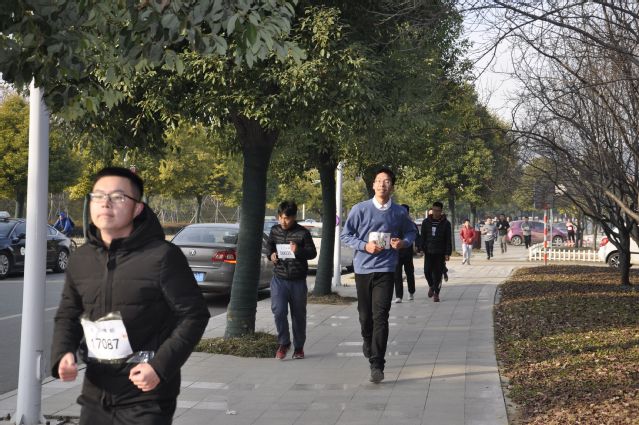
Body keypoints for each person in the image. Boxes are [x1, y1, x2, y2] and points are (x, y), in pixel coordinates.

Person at [51, 167, 210, 425]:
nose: (106, 202)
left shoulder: (163, 256)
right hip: (96, 393)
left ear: (137, 208)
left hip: (146, 394)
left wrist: (159, 367)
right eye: (98, 195)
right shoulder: (81, 258)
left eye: (117, 196)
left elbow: (194, 315)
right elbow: (68, 313)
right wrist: (63, 353)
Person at [340, 167, 417, 384]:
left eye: (387, 181)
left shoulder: (399, 212)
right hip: (363, 269)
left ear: (392, 186)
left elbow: (411, 231)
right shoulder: (360, 209)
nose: (383, 184)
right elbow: (346, 235)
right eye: (379, 181)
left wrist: (403, 243)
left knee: (381, 316)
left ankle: (377, 365)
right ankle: (367, 340)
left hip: (386, 269)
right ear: (373, 185)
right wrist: (365, 246)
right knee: (365, 317)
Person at [267, 200, 317, 360]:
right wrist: (271, 255)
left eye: (287, 218)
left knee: (298, 315)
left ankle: (299, 347)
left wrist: (298, 250)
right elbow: (269, 247)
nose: (283, 221)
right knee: (278, 311)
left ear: (294, 217)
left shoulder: (303, 233)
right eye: (281, 217)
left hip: (298, 281)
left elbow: (312, 253)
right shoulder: (274, 230)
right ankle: (284, 343)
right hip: (279, 279)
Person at [420, 202, 452, 303]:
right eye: (434, 210)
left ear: (441, 211)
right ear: (432, 210)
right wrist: (421, 248)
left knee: (438, 274)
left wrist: (447, 253)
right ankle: (431, 286)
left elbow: (448, 239)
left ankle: (436, 294)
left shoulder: (446, 223)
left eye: (438, 211)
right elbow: (423, 236)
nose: (436, 213)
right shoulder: (426, 222)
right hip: (428, 251)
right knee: (427, 271)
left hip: (440, 252)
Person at [393, 204, 418, 303]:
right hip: (396, 253)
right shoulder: (394, 223)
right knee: (397, 274)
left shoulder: (411, 224)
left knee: (409, 273)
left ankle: (411, 292)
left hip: (407, 253)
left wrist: (418, 247)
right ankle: (399, 296)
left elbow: (416, 236)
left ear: (407, 212)